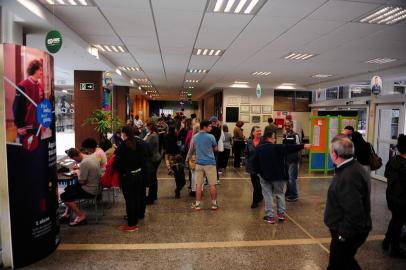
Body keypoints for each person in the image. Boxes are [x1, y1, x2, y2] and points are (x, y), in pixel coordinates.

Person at [324, 135, 372, 270]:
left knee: (337, 265)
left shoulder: (348, 176)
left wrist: (342, 236)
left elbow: (355, 213)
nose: (329, 153)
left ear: (335, 154)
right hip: (345, 231)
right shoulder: (351, 167)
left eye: (330, 151)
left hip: (346, 234)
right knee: (346, 262)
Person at [253, 130, 310, 224]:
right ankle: (281, 214)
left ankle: (269, 216)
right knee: (280, 194)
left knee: (268, 196)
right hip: (279, 177)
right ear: (270, 137)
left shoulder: (259, 149)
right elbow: (289, 148)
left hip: (265, 176)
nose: (275, 139)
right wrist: (303, 146)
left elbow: (254, 163)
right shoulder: (278, 147)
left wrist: (258, 173)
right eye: (274, 137)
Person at [114, 125, 148, 232]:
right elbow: (144, 160)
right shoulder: (140, 143)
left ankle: (131, 224)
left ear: (124, 134)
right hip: (139, 176)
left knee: (129, 201)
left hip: (127, 178)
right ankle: (136, 218)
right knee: (137, 198)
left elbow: (117, 164)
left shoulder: (122, 146)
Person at [60, 148, 101, 226]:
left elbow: (82, 182)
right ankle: (67, 213)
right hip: (96, 186)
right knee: (68, 189)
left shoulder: (84, 163)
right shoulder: (91, 157)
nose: (75, 161)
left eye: (73, 159)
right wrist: (79, 169)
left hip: (89, 190)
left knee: (64, 196)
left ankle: (81, 216)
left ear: (74, 156)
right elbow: (90, 169)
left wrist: (78, 172)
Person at [382, 134, 406, 258]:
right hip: (402, 199)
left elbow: (386, 174)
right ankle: (394, 249)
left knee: (395, 219)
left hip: (391, 196)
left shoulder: (393, 160)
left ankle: (386, 242)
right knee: (398, 222)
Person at [13, 59, 44, 150]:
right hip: (26, 128)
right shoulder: (23, 85)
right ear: (35, 70)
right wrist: (20, 125)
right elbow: (17, 107)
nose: (42, 72)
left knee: (36, 152)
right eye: (40, 70)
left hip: (37, 126)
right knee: (26, 152)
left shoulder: (40, 86)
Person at [189, 120, 218, 210]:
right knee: (212, 184)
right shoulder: (211, 137)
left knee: (198, 184)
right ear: (204, 127)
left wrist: (189, 158)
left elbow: (192, 149)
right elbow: (216, 148)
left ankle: (197, 204)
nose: (211, 127)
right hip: (210, 163)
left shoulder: (195, 137)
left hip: (199, 163)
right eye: (209, 126)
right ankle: (214, 204)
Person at [245, 126, 263, 208]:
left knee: (258, 185)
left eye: (260, 131)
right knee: (255, 184)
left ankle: (255, 201)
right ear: (253, 133)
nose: (259, 132)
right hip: (252, 167)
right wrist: (247, 164)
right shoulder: (249, 142)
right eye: (257, 131)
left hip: (261, 167)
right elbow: (247, 154)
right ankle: (259, 196)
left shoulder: (263, 141)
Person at [283, 121, 301, 202]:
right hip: (286, 158)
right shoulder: (285, 135)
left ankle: (294, 195)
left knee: (291, 178)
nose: (287, 127)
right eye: (286, 125)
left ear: (292, 126)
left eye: (288, 125)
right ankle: (288, 192)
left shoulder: (295, 135)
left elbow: (298, 146)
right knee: (287, 177)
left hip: (293, 159)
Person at [144, 121, 162, 204]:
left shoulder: (153, 136)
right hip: (155, 158)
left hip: (153, 159)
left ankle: (151, 197)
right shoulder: (152, 134)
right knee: (153, 178)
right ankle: (153, 196)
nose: (145, 127)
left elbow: (149, 149)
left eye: (146, 126)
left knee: (152, 179)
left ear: (149, 127)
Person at [186, 124, 200, 197]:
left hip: (194, 157)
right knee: (202, 175)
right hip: (202, 158)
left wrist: (187, 158)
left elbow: (190, 150)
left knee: (194, 174)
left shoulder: (194, 138)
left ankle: (194, 190)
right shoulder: (205, 137)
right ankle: (200, 190)